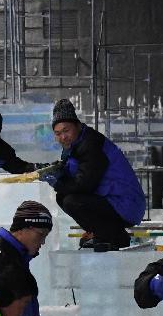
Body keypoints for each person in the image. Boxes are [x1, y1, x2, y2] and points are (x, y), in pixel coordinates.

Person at [43, 98, 145, 250]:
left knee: (72, 201)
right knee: (63, 197)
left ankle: (113, 236)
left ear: (77, 125)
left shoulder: (91, 144)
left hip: (125, 204)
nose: (62, 137)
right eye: (58, 133)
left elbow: (85, 184)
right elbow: (74, 173)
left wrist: (58, 182)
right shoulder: (75, 144)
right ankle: (100, 233)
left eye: (66, 130)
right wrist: (56, 171)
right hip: (110, 199)